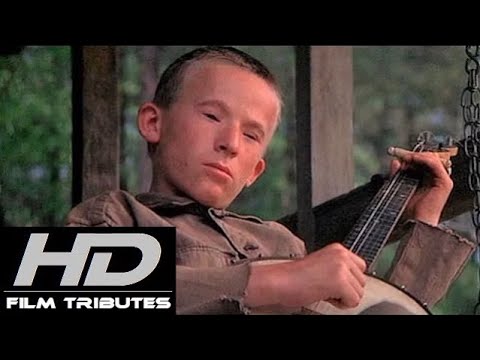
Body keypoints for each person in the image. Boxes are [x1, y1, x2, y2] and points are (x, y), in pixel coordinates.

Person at [67, 46, 475, 315]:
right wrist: (278, 280)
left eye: (251, 136)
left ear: (255, 171)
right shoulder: (115, 214)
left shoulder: (280, 243)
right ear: (153, 122)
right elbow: (59, 286)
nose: (230, 143)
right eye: (212, 116)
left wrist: (425, 220)